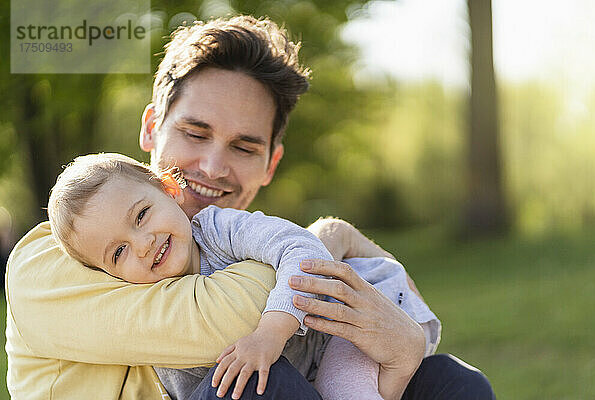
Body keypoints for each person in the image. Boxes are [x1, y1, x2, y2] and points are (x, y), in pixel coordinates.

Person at [5, 15, 495, 400]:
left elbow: (399, 308)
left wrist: (404, 351)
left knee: (452, 383)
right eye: (195, 134)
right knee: (254, 383)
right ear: (153, 125)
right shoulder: (50, 258)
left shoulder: (222, 239)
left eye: (244, 147)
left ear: (270, 164)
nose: (213, 167)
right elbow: (233, 321)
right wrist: (325, 243)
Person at [46, 152, 439, 400]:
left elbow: (301, 248)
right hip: (305, 368)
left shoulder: (218, 228)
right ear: (107, 275)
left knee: (344, 389)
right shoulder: (145, 306)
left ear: (169, 189)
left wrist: (270, 333)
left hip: (349, 321)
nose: (143, 244)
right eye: (118, 252)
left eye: (141, 216)